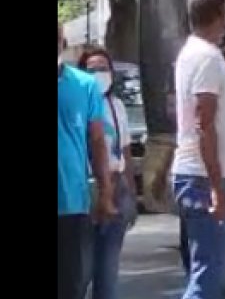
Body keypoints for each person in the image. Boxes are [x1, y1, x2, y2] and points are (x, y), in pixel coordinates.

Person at [164, 0, 225, 299]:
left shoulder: (192, 53)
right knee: (211, 273)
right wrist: (215, 183)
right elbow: (204, 123)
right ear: (218, 14)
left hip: (203, 175)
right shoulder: (207, 58)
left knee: (216, 271)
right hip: (200, 178)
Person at [59, 24, 116, 299]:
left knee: (70, 285)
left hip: (71, 203)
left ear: (62, 42)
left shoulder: (85, 85)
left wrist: (105, 192)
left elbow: (97, 141)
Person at [79, 46, 140, 299]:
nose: (99, 74)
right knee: (79, 272)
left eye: (103, 69)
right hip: (85, 190)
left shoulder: (117, 106)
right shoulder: (76, 104)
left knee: (108, 272)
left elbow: (124, 149)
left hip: (117, 189)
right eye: (92, 69)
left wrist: (132, 193)